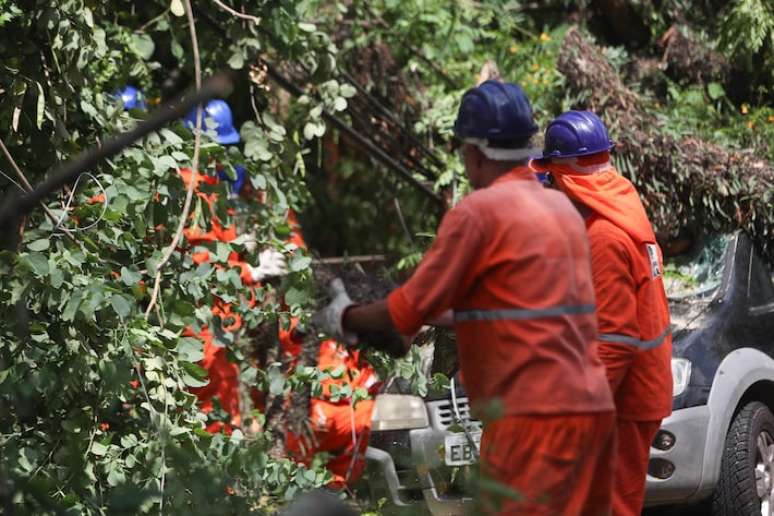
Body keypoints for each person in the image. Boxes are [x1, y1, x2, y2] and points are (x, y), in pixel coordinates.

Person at [315, 81, 615, 515]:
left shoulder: (478, 214)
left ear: (474, 153)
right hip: (591, 416)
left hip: (529, 423)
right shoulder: (562, 212)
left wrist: (346, 317)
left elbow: (404, 313)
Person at [532, 110, 672, 516]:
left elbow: (615, 341)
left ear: (566, 177)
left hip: (622, 399)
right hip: (637, 390)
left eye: (553, 179)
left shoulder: (604, 237)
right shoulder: (621, 209)